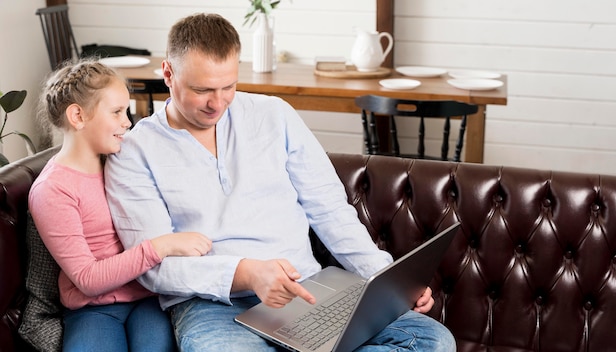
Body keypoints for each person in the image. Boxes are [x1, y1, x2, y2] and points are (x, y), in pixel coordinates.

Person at [104, 13, 456, 352]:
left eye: (228, 86)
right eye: (202, 90)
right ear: (168, 73)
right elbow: (153, 267)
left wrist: (387, 279)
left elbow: (329, 208)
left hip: (307, 289)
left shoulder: (273, 114)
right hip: (213, 306)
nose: (217, 103)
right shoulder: (134, 152)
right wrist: (246, 273)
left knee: (434, 342)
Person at [29, 59, 213, 352]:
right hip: (93, 308)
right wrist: (162, 246)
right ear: (78, 116)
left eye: (126, 111)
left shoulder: (124, 160)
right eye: (116, 112)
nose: (127, 122)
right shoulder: (52, 190)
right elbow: (87, 279)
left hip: (149, 297)